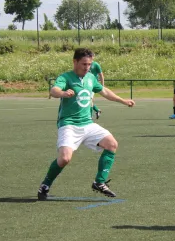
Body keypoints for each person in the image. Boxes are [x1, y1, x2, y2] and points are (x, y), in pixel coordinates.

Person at [37, 48, 135, 200]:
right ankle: (45, 185)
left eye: (89, 64)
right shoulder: (66, 77)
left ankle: (99, 182)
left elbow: (105, 91)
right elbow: (54, 90)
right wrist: (62, 93)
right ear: (75, 62)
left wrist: (123, 101)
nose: (87, 67)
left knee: (112, 144)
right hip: (69, 124)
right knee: (64, 159)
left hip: (87, 123)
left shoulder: (90, 78)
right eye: (84, 64)